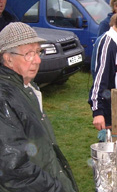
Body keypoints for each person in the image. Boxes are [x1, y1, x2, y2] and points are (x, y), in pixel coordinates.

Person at [0, 22, 78, 192]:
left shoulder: (29, 88)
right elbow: (14, 169)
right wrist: (56, 188)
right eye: (28, 54)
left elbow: (44, 147)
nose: (37, 60)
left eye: (38, 52)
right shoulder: (4, 98)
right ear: (8, 58)